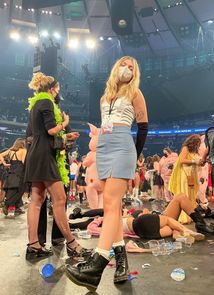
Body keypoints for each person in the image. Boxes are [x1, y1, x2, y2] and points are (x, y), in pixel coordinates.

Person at [66, 56, 148, 291]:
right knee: (111, 205)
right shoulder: (104, 97)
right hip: (104, 145)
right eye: (124, 65)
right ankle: (121, 260)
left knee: (111, 204)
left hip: (123, 145)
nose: (127, 69)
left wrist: (134, 154)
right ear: (116, 68)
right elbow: (105, 125)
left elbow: (143, 127)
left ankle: (98, 262)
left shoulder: (136, 93)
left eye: (132, 67)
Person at [24, 72, 89, 260]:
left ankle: (33, 245)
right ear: (52, 89)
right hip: (45, 156)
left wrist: (66, 137)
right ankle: (72, 244)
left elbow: (44, 133)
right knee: (59, 200)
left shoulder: (36, 103)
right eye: (58, 89)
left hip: (36, 154)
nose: (59, 92)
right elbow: (51, 130)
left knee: (36, 200)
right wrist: (66, 124)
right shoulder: (46, 102)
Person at [69, 194, 214, 239]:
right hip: (151, 223)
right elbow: (97, 214)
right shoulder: (116, 217)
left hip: (158, 218)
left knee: (181, 198)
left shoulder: (127, 212)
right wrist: (79, 217)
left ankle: (200, 224)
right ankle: (181, 232)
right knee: (169, 226)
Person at [169, 135, 203, 224]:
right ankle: (184, 217)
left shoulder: (196, 151)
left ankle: (190, 215)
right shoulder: (186, 148)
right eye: (199, 142)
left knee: (192, 195)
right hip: (184, 174)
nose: (199, 144)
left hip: (192, 175)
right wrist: (194, 162)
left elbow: (197, 162)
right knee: (185, 194)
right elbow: (182, 160)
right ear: (195, 142)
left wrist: (202, 162)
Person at [0, 138, 26, 216]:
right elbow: (24, 162)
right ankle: (7, 204)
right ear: (22, 144)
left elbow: (0, 154)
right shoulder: (23, 150)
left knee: (12, 190)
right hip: (20, 173)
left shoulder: (10, 150)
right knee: (20, 190)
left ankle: (17, 208)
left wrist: (4, 163)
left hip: (11, 172)